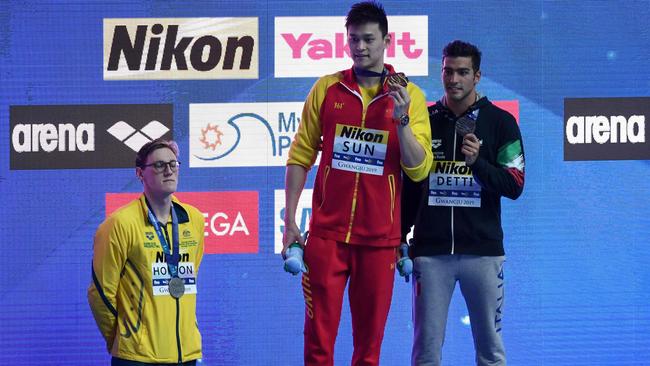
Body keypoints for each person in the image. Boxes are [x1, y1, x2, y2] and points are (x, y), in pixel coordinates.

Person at [282, 1, 433, 365]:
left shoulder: (410, 97)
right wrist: (289, 223)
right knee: (317, 345)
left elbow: (418, 169)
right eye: (354, 39)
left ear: (387, 40)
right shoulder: (327, 89)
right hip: (326, 238)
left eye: (368, 39)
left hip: (380, 241)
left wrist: (401, 121)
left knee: (368, 350)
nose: (360, 47)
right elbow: (300, 156)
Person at [401, 40, 525, 366]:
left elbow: (514, 185)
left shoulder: (501, 122)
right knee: (425, 354)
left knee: (490, 353)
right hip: (430, 255)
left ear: (477, 76)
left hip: (483, 254)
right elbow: (411, 186)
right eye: (448, 71)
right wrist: (399, 236)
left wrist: (478, 164)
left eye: (462, 72)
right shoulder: (424, 120)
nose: (453, 79)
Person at [88, 138, 205, 365]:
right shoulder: (119, 224)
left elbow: (190, 277)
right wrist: (125, 339)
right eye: (159, 165)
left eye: (174, 164)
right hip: (137, 357)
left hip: (187, 354)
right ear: (140, 173)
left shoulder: (194, 220)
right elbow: (100, 294)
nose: (169, 171)